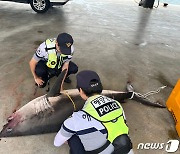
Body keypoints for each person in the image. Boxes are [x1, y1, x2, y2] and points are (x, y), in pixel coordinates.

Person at [54, 70, 134, 154]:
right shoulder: (117, 104)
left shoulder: (76, 118)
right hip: (125, 149)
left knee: (72, 136)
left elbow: (56, 143)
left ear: (80, 90)